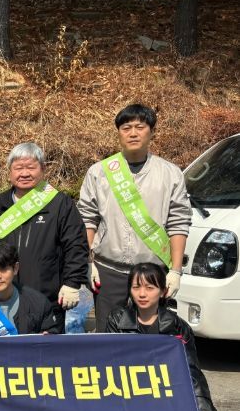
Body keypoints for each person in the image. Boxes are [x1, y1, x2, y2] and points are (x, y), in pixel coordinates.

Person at [78, 104, 190, 332]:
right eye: (126, 127)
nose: (133, 133)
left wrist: (176, 271)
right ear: (118, 133)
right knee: (107, 336)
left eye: (140, 127)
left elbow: (179, 222)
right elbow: (87, 219)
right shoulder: (99, 172)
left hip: (152, 272)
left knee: (152, 338)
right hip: (108, 271)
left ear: (152, 132)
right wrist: (89, 262)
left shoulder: (170, 173)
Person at [106, 263, 219, 411]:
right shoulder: (117, 319)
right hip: (127, 392)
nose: (142, 294)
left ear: (163, 291)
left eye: (150, 288)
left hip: (164, 393)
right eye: (136, 287)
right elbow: (107, 365)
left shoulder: (177, 327)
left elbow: (193, 376)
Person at [0, 142, 88, 332]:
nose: (24, 173)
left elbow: (76, 245)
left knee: (46, 356)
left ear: (43, 169)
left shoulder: (60, 204)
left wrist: (72, 282)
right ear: (9, 171)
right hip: (2, 298)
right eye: (18, 168)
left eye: (31, 167)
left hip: (48, 298)